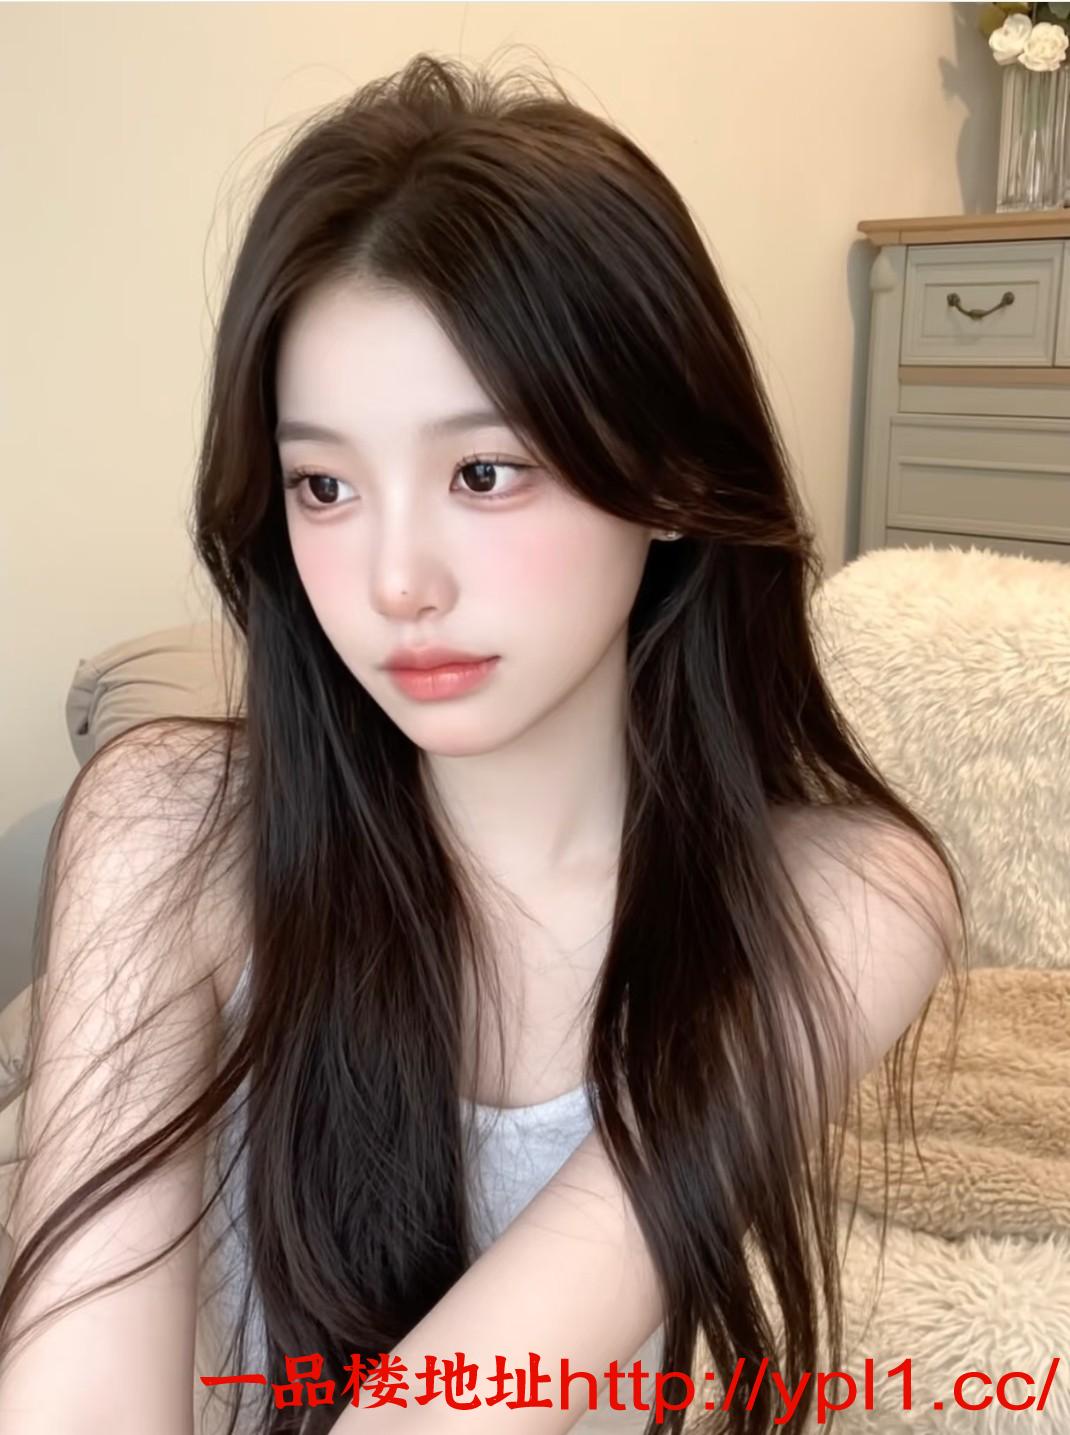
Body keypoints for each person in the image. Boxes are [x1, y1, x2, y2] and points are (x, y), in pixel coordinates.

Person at [0, 49, 967, 1435]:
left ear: (673, 475)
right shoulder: (170, 825)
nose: (395, 582)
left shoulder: (840, 897)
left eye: (483, 471)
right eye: (322, 485)